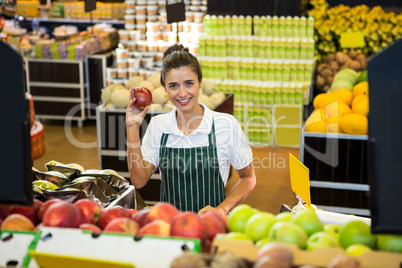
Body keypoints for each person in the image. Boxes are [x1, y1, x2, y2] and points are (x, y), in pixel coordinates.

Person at [125, 44, 256, 216]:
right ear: (164, 88)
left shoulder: (225, 124)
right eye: (173, 86)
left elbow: (248, 178)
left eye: (188, 83)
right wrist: (132, 127)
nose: (182, 93)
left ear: (200, 82)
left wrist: (221, 209)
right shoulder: (158, 125)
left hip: (211, 225)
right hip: (170, 227)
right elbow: (139, 180)